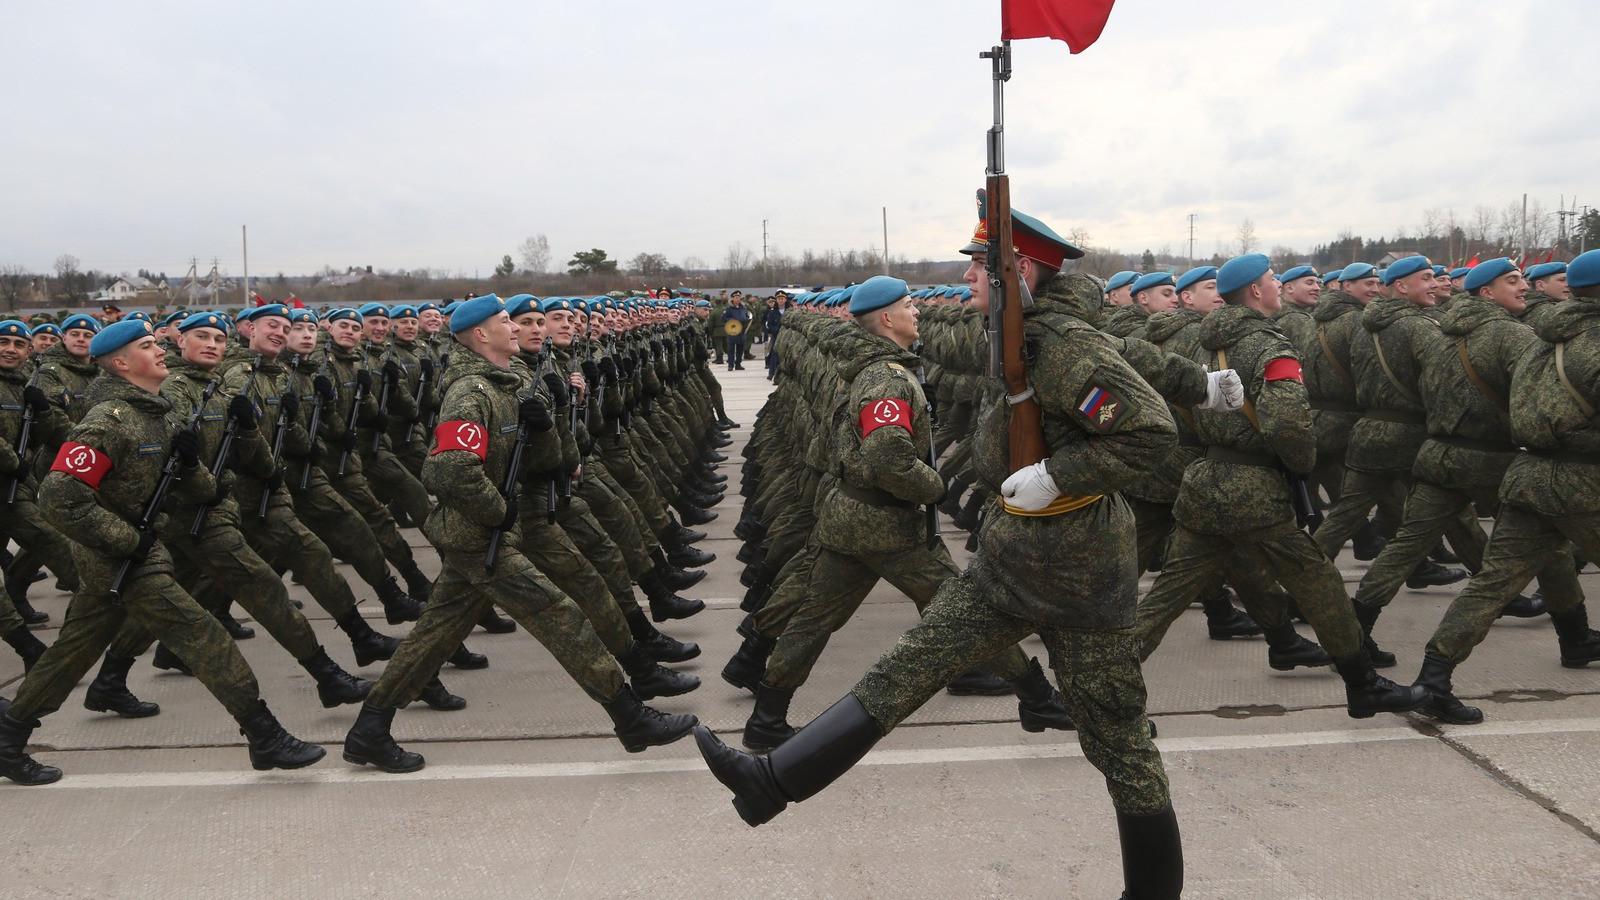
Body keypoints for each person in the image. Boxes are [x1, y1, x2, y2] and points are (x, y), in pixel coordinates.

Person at [695, 203, 1185, 900]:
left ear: (1018, 272)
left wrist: (1057, 477)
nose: (966, 275)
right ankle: (772, 780)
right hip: (1016, 561)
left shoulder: (1065, 345)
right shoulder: (1024, 336)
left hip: (1078, 568)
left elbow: (1149, 433)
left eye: (980, 265)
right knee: (909, 665)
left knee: (1118, 738)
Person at [341, 295, 698, 773]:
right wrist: (499, 512)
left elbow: (547, 460)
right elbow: (447, 470)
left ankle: (369, 729)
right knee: (562, 615)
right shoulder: (471, 393)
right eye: (507, 321)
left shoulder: (506, 385)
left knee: (435, 633)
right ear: (481, 335)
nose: (516, 328)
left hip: (486, 535)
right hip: (478, 536)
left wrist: (546, 424)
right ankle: (630, 717)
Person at [1, 319, 324, 785]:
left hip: (130, 558)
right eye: (148, 346)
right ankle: (264, 735)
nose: (159, 351)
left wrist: (192, 466)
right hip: (122, 559)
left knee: (72, 652)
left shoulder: (159, 412)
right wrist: (128, 541)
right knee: (203, 635)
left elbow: (185, 485)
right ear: (120, 363)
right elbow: (59, 495)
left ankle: (9, 739)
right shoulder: (107, 421)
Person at [1410, 253, 1600, 722]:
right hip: (1584, 484)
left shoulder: (1545, 339)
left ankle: (1432, 680)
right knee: (1496, 585)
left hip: (1530, 478)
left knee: (1491, 586)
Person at [723, 293, 751, 370]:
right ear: (732, 299)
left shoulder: (743, 308)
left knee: (740, 349)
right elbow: (724, 318)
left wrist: (746, 319)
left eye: (739, 297)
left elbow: (747, 316)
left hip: (741, 331)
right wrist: (732, 320)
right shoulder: (728, 308)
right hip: (732, 331)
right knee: (731, 350)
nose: (738, 299)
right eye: (736, 297)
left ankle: (738, 364)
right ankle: (730, 365)